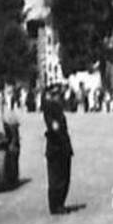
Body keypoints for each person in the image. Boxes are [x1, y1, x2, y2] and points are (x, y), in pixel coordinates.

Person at [42, 85, 74, 214]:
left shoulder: (56, 109)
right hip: (56, 149)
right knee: (57, 179)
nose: (59, 97)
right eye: (56, 95)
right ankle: (56, 206)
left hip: (62, 148)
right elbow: (55, 128)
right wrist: (61, 139)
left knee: (64, 177)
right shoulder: (50, 109)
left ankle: (59, 204)